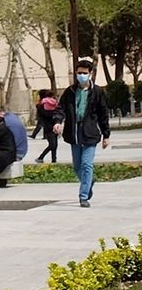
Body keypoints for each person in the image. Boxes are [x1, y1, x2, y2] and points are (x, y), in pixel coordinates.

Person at [53, 59, 110, 208]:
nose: (81, 75)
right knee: (77, 166)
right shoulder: (70, 92)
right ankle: (89, 181)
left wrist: (106, 135)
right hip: (74, 133)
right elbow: (61, 109)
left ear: (90, 74)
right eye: (79, 73)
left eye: (84, 73)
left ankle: (83, 196)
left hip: (90, 133)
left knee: (86, 165)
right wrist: (58, 121)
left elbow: (103, 114)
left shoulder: (97, 92)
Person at [35, 90, 58, 163]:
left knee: (55, 144)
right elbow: (46, 115)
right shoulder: (41, 106)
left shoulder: (52, 104)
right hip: (49, 126)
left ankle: (54, 159)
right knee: (52, 144)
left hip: (53, 125)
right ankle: (41, 157)